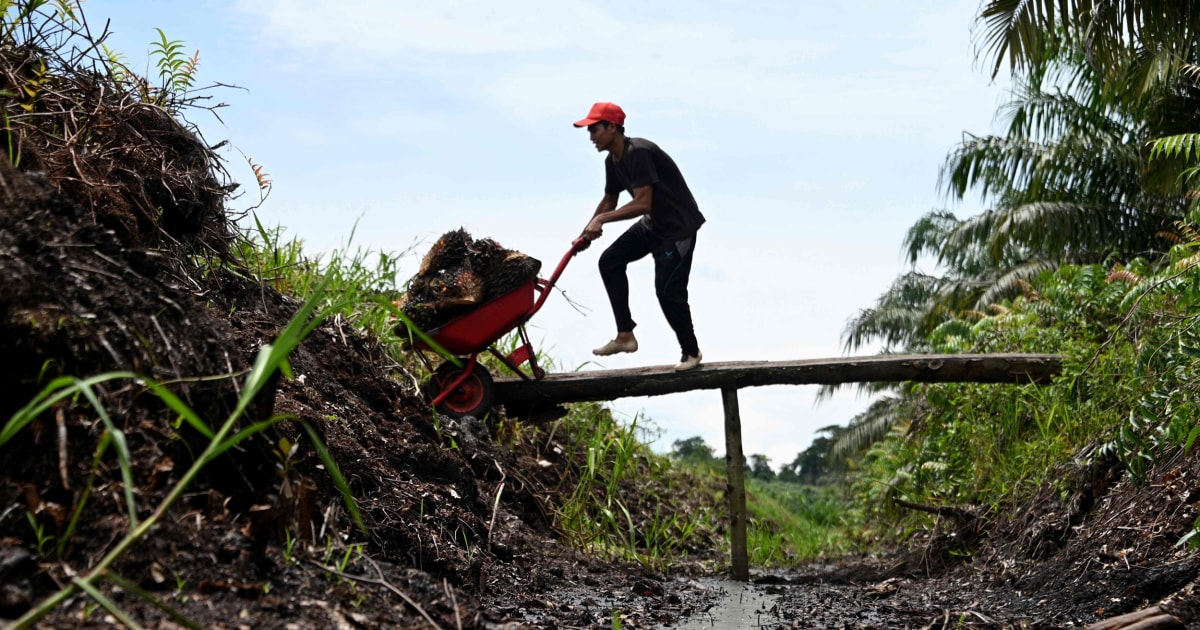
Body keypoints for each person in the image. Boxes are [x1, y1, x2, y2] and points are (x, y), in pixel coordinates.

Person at [574, 102, 706, 371]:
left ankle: (691, 353)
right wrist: (585, 233)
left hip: (678, 229)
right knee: (609, 261)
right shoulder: (613, 161)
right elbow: (610, 200)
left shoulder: (640, 152)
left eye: (595, 130)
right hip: (653, 225)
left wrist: (600, 220)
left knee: (668, 291)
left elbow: (643, 203)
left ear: (612, 127)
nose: (591, 137)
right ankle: (625, 335)